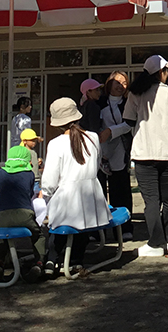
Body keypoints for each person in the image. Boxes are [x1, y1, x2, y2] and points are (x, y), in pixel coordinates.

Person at [42, 97, 112, 276]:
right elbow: (97, 164)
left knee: (56, 226)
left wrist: (46, 195)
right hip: (92, 196)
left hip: (66, 196)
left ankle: (51, 259)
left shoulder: (55, 144)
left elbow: (50, 180)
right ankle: (75, 261)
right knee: (82, 229)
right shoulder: (93, 138)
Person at [123, 54, 168, 257]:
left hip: (143, 153)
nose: (167, 74)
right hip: (166, 153)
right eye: (166, 71)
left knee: (151, 201)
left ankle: (156, 243)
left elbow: (128, 121)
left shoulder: (135, 94)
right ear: (160, 73)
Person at [0, 145, 47, 282]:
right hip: (24, 212)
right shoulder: (29, 174)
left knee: (3, 237)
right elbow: (29, 193)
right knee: (38, 235)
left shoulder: (1, 173)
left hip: (3, 214)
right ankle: (39, 262)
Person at [99, 71, 133, 229]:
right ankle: (98, 229)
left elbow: (129, 124)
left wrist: (111, 131)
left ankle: (124, 227)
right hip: (101, 150)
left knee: (120, 188)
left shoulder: (128, 103)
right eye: (117, 82)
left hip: (120, 149)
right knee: (99, 190)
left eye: (124, 83)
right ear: (109, 83)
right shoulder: (99, 102)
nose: (121, 86)